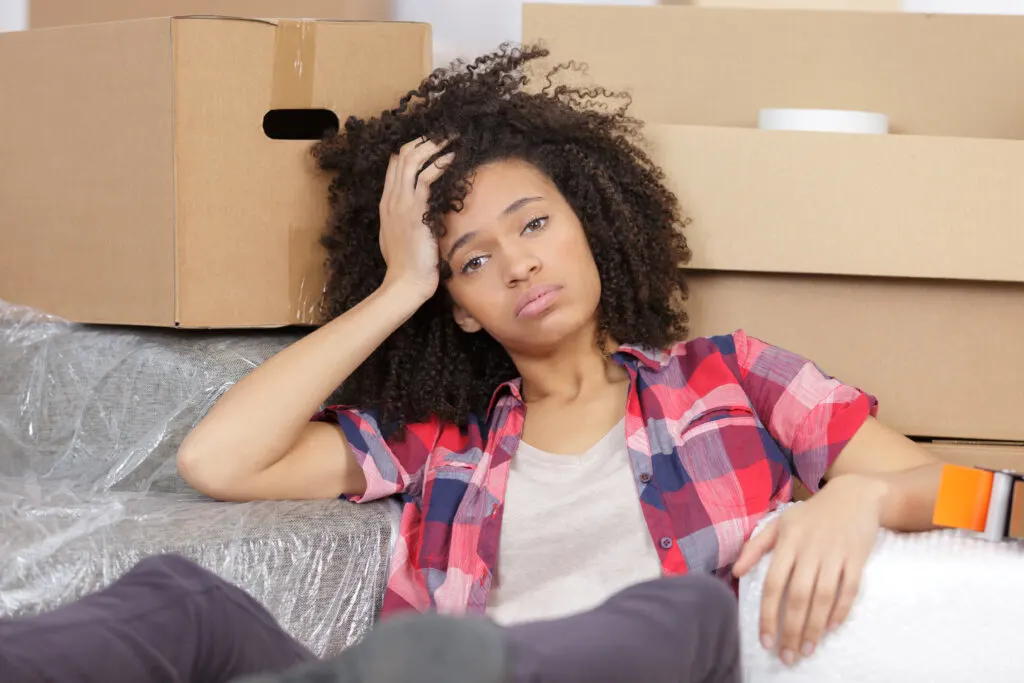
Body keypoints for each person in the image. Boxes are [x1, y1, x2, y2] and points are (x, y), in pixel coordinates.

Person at [0, 44, 944, 683]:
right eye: (473, 260)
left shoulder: (732, 378)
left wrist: (856, 498)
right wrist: (398, 285)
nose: (519, 262)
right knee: (182, 599)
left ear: (590, 226)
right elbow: (219, 462)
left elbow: (995, 498)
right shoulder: (437, 443)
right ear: (459, 303)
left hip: (604, 663)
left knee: (688, 611)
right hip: (422, 671)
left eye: (534, 223)